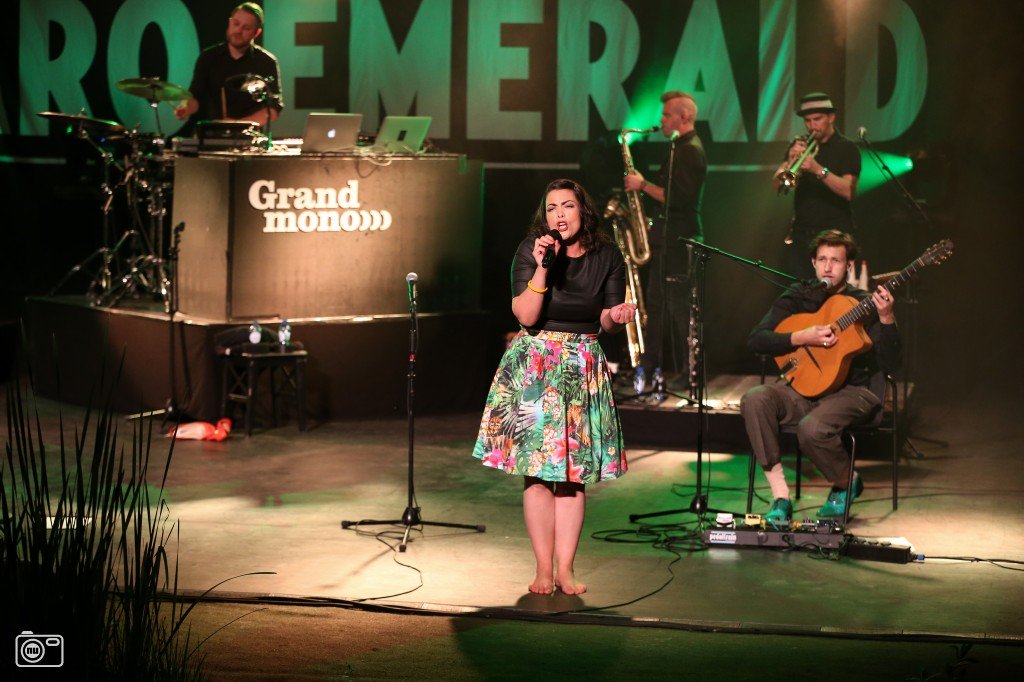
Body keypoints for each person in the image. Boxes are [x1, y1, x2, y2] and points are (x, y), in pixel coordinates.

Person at [472, 178, 636, 596]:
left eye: (567, 206)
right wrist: (544, 265)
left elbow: (606, 320)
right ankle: (543, 568)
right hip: (536, 367)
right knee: (538, 474)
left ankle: (566, 569)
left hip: (582, 365)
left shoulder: (607, 254)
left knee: (572, 476)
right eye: (551, 208)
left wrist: (618, 315)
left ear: (583, 211)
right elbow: (526, 316)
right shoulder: (532, 250)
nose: (559, 214)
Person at [740, 230, 901, 525]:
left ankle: (846, 481)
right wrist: (801, 337)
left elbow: (893, 362)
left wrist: (887, 318)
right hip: (804, 388)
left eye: (836, 261)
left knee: (811, 428)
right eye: (822, 259)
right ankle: (780, 497)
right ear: (813, 262)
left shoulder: (864, 304)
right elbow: (756, 340)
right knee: (755, 399)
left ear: (848, 266)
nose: (828, 267)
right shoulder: (798, 296)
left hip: (853, 391)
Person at [622, 90, 706, 379]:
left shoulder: (690, 150)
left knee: (680, 309)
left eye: (667, 114)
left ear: (685, 116)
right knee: (656, 306)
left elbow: (679, 198)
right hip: (667, 238)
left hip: (681, 241)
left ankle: (690, 372)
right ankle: (648, 367)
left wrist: (642, 185)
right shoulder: (676, 148)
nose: (662, 120)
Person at [774, 92, 861, 277]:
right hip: (801, 235)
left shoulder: (847, 148)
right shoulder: (800, 144)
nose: (812, 126)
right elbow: (778, 185)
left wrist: (817, 169)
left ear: (831, 117)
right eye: (807, 121)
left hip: (834, 237)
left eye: (817, 119)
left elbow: (848, 191)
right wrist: (789, 160)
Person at [174, 3, 283, 127]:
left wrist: (236, 125)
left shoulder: (266, 62)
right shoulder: (208, 57)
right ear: (229, 22)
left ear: (256, 33)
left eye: (246, 28)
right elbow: (195, 96)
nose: (238, 31)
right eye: (236, 24)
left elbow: (273, 109)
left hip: (251, 134)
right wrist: (186, 108)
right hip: (214, 133)